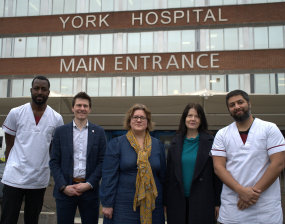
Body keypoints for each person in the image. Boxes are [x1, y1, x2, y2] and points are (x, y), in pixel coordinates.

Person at [211, 89, 285, 224]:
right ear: (229, 109)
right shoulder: (222, 134)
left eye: (240, 102)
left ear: (249, 103)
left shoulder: (269, 128)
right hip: (234, 207)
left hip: (265, 208)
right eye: (232, 105)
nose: (237, 107)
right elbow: (218, 167)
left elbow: (278, 163)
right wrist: (241, 191)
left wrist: (251, 194)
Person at [1, 76, 64, 224]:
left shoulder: (56, 118)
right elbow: (9, 145)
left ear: (49, 92)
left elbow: (53, 150)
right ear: (31, 90)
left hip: (38, 178)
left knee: (32, 219)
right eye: (36, 88)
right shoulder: (16, 113)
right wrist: (10, 166)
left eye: (44, 89)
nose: (40, 92)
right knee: (8, 219)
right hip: (14, 177)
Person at [100, 104, 166, 224]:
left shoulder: (157, 145)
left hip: (153, 205)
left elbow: (163, 176)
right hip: (123, 206)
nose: (139, 120)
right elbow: (108, 176)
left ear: (148, 122)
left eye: (143, 118)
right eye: (135, 117)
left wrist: (165, 202)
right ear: (129, 121)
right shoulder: (117, 144)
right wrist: (107, 203)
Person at [49, 92, 106, 224]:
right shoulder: (60, 132)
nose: (82, 108)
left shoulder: (99, 132)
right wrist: (63, 187)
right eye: (79, 105)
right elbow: (54, 162)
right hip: (65, 191)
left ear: (90, 109)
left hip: (89, 191)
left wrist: (89, 184)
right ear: (73, 108)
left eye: (85, 106)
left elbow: (102, 162)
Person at [164, 103, 222, 224]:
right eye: (190, 115)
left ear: (201, 120)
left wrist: (218, 203)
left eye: (197, 116)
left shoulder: (212, 142)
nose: (193, 119)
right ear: (184, 118)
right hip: (177, 201)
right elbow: (168, 176)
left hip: (203, 201)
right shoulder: (175, 143)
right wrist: (165, 202)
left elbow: (217, 176)